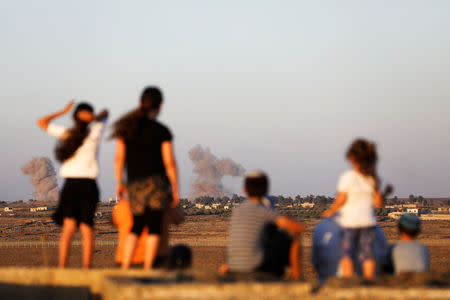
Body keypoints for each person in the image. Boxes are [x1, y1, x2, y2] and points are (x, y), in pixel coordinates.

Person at [111, 86, 179, 270]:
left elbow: (118, 159)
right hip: (157, 184)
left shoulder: (126, 129)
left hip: (134, 185)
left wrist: (119, 182)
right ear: (160, 105)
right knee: (154, 226)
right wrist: (175, 190)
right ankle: (148, 267)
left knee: (137, 225)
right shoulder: (161, 130)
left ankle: (125, 266)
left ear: (140, 103)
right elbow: (169, 162)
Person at [37, 101, 108, 269]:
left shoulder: (95, 130)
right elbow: (42, 122)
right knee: (70, 227)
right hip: (72, 184)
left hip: (88, 183)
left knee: (86, 226)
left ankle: (86, 267)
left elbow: (105, 113)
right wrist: (63, 111)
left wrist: (91, 117)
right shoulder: (68, 133)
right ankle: (63, 267)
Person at [220, 171, 304, 279]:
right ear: (266, 190)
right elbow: (297, 227)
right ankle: (297, 276)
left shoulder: (237, 210)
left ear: (245, 190)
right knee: (288, 235)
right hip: (256, 267)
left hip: (233, 266)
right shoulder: (263, 210)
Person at [322, 139, 383, 281]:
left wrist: (330, 211)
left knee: (347, 253)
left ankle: (349, 281)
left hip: (350, 222)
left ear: (352, 158)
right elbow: (378, 202)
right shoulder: (373, 178)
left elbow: (341, 199)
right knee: (368, 254)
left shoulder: (347, 177)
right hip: (368, 222)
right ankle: (369, 281)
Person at [312, 213, 391, 285]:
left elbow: (316, 264)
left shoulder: (323, 226)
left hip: (330, 283)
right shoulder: (376, 229)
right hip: (367, 284)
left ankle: (349, 278)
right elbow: (384, 263)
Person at [112, 200, 184, 267]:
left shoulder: (122, 206)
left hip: (124, 259)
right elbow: (179, 219)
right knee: (182, 251)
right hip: (157, 259)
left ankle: (125, 267)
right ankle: (148, 266)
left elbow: (114, 222)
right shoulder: (165, 205)